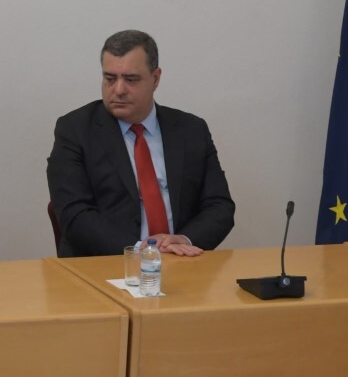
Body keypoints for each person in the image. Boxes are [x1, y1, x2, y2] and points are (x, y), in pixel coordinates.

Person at [47, 30, 234, 258]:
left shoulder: (191, 130)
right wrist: (141, 251)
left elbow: (219, 207)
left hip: (181, 261)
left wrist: (184, 240)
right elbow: (74, 214)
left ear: (155, 79)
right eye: (110, 79)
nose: (118, 90)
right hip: (108, 264)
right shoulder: (75, 130)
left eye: (131, 79)